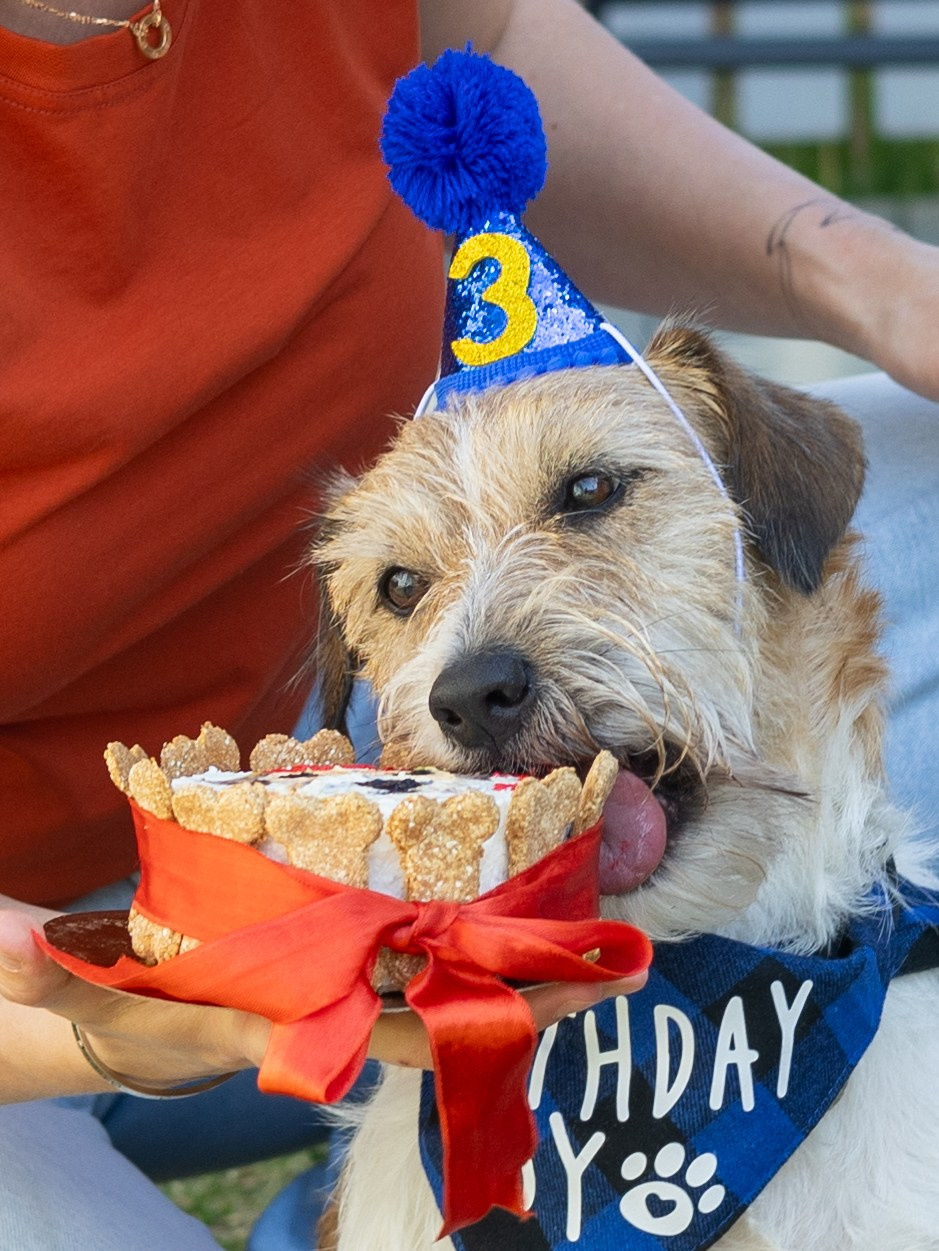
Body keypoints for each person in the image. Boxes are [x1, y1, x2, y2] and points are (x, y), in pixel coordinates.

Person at [0, 0, 935, 1248]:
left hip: (305, 895)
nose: (472, 668)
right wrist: (192, 1009)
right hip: (69, 986)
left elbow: (490, 37)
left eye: (591, 495)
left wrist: (867, 276)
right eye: (401, 588)